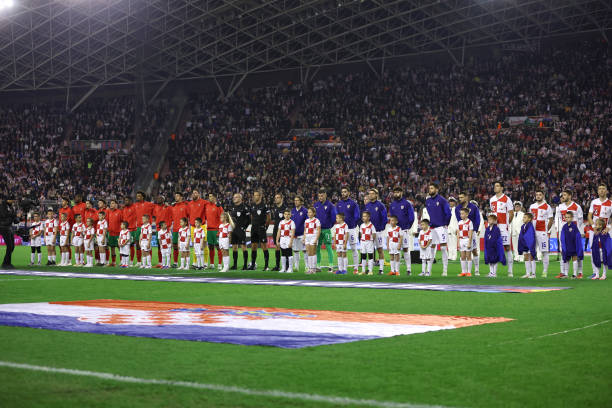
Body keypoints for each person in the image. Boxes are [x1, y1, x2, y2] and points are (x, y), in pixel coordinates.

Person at [555, 190, 584, 277]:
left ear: (570, 196)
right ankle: (562, 272)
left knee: (577, 252)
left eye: (565, 195)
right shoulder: (560, 207)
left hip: (574, 233)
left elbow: (580, 220)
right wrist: (558, 230)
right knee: (563, 251)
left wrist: (578, 232)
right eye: (562, 195)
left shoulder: (576, 206)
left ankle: (579, 272)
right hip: (564, 233)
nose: (563, 196)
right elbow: (557, 219)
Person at [425, 183, 451, 276]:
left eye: (432, 188)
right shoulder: (427, 201)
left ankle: (445, 271)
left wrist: (445, 224)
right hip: (432, 228)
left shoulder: (442, 200)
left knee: (443, 248)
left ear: (437, 189)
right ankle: (429, 271)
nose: (430, 190)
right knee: (431, 249)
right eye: (429, 188)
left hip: (441, 227)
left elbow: (448, 213)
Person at [490, 181, 515, 277]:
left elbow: (511, 213)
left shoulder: (506, 199)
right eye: (494, 186)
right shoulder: (491, 199)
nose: (495, 187)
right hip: (494, 228)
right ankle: (493, 272)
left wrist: (506, 224)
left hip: (503, 227)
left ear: (501, 188)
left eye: (497, 186)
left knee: (507, 247)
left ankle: (510, 272)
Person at [389, 187, 415, 275]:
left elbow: (411, 217)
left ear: (401, 193)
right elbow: (392, 217)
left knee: (406, 249)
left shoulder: (407, 204)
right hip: (394, 231)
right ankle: (396, 270)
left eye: (397, 192)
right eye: (394, 192)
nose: (396, 194)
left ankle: (408, 269)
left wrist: (407, 227)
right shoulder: (392, 204)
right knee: (395, 251)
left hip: (404, 230)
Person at [335, 187, 361, 274]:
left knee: (354, 248)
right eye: (342, 192)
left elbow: (357, 216)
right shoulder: (339, 204)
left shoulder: (353, 204)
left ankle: (356, 268)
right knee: (341, 250)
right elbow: (337, 216)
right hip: (341, 231)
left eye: (345, 192)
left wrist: (352, 223)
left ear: (348, 193)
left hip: (351, 229)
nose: (343, 193)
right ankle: (341, 268)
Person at [529, 190, 554, 277]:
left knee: (544, 252)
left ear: (543, 196)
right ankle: (533, 273)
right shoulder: (532, 206)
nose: (538, 196)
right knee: (532, 252)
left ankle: (545, 271)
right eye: (537, 194)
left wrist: (546, 230)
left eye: (540, 195)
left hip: (542, 232)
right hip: (533, 232)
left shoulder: (547, 206)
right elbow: (530, 219)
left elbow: (551, 219)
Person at [455, 194, 481, 276]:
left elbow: (477, 219)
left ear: (466, 197)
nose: (460, 199)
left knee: (474, 251)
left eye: (462, 197)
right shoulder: (457, 208)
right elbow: (459, 220)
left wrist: (475, 230)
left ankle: (476, 269)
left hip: (471, 232)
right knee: (462, 254)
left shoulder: (473, 207)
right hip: (463, 234)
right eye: (459, 197)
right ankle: (464, 271)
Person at [365, 188, 388, 274]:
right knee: (370, 251)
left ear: (376, 195)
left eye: (372, 194)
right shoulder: (367, 205)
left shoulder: (381, 205)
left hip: (378, 232)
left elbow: (384, 218)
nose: (370, 195)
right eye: (369, 194)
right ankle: (370, 269)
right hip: (369, 232)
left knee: (380, 250)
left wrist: (381, 228)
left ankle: (381, 269)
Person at [314, 188, 336, 271]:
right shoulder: (316, 205)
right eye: (319, 196)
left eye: (322, 195)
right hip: (318, 230)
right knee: (317, 248)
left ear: (325, 195)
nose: (320, 197)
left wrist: (329, 226)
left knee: (328, 247)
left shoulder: (330, 205)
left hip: (326, 229)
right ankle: (318, 266)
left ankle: (331, 266)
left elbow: (334, 218)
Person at [249, 189, 271, 270]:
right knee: (253, 246)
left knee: (264, 246)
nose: (255, 197)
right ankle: (253, 265)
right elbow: (251, 216)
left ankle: (266, 266)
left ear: (260, 196)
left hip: (261, 227)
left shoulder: (264, 206)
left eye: (256, 195)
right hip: (254, 228)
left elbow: (269, 218)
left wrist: (265, 227)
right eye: (254, 195)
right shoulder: (252, 205)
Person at [558, 211, 584, 279]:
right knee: (566, 259)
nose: (567, 218)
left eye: (568, 217)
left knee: (574, 259)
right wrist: (562, 246)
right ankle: (566, 274)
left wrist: (578, 246)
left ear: (572, 218)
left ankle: (574, 274)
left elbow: (577, 237)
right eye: (566, 217)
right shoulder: (564, 226)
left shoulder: (574, 226)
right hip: (567, 246)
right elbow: (562, 237)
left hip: (573, 246)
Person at [228, 193, 250, 270]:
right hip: (234, 230)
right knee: (234, 247)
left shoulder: (244, 207)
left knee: (243, 246)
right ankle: (235, 265)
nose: (234, 198)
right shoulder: (232, 207)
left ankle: (245, 265)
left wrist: (244, 228)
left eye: (236, 197)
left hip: (241, 230)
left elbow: (248, 219)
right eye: (234, 197)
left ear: (240, 198)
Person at [133, 191, 155, 267]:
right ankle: (139, 261)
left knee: (148, 247)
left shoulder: (149, 204)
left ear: (143, 197)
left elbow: (157, 208)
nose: (137, 197)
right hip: (139, 227)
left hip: (147, 226)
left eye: (139, 196)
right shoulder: (135, 205)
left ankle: (149, 263)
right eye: (137, 196)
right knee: (138, 244)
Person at [187, 190, 208, 268]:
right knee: (195, 245)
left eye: (195, 193)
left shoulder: (204, 202)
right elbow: (188, 215)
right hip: (193, 227)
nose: (194, 194)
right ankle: (195, 262)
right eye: (193, 193)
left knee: (204, 245)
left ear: (199, 194)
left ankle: (205, 263)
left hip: (202, 226)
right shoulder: (189, 204)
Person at [205, 193, 224, 270]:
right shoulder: (206, 206)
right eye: (209, 197)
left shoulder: (218, 207)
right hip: (209, 230)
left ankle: (219, 264)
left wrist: (220, 230)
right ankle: (212, 264)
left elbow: (222, 219)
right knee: (211, 247)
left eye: (211, 196)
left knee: (218, 247)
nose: (210, 198)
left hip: (216, 230)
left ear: (215, 198)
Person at [170, 192, 189, 267]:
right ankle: (175, 263)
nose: (176, 197)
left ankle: (185, 264)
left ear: (181, 197)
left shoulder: (185, 205)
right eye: (175, 196)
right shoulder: (173, 207)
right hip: (175, 228)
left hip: (183, 229)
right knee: (175, 246)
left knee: (185, 248)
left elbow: (189, 215)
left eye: (177, 196)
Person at [152, 195, 171, 268]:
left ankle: (168, 263)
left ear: (163, 200)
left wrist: (168, 225)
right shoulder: (155, 207)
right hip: (158, 229)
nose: (158, 199)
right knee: (160, 246)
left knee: (168, 246)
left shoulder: (167, 207)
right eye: (158, 198)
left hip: (166, 229)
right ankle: (160, 263)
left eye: (160, 198)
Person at [291, 196, 308, 272]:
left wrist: (305, 235)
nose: (296, 202)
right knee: (295, 250)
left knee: (305, 250)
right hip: (294, 234)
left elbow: (307, 223)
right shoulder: (292, 211)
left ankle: (307, 266)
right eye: (295, 200)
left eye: (297, 200)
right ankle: (296, 267)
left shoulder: (305, 211)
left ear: (301, 202)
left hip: (302, 234)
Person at [276, 209, 295, 273]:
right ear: (284, 215)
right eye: (285, 214)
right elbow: (279, 231)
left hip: (288, 238)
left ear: (290, 215)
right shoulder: (281, 222)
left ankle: (290, 268)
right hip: (282, 239)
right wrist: (277, 240)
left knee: (289, 253)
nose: (287, 216)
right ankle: (283, 268)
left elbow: (292, 233)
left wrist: (291, 242)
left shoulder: (292, 222)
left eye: (288, 214)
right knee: (283, 254)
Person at [518, 213, 537, 279]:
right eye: (523, 217)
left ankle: (533, 274)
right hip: (524, 244)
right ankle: (528, 273)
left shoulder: (530, 226)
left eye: (525, 217)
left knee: (531, 257)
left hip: (529, 244)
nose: (523, 219)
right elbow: (521, 235)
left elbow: (530, 236)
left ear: (529, 219)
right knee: (526, 257)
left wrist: (530, 244)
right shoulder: (523, 226)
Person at [271, 193, 286, 271]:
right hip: (276, 229)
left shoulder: (285, 208)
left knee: (284, 248)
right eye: (275, 197)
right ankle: (277, 265)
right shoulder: (274, 208)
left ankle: (286, 266)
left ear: (281, 199)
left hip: (284, 230)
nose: (276, 199)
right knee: (277, 247)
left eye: (277, 197)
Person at [303, 206, 321, 274]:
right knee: (308, 253)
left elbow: (319, 230)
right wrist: (304, 238)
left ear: (314, 213)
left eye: (310, 212)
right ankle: (310, 268)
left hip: (313, 237)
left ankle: (313, 268)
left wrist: (316, 239)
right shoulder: (306, 221)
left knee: (313, 252)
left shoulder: (316, 221)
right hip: (307, 237)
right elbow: (305, 230)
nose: (308, 213)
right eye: (308, 212)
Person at [457, 207, 474, 277]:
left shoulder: (470, 222)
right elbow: (458, 233)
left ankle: (469, 272)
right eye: (460, 214)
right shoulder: (459, 222)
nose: (461, 215)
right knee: (462, 256)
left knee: (468, 256)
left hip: (467, 240)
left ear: (467, 214)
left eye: (463, 214)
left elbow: (470, 233)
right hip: (461, 240)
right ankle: (463, 272)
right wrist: (458, 242)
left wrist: (469, 242)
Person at [106, 199, 123, 267]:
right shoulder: (108, 212)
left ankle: (122, 261)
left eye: (113, 203)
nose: (111, 204)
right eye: (110, 203)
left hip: (118, 233)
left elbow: (122, 221)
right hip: (111, 233)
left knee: (120, 248)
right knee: (112, 248)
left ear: (116, 205)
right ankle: (113, 262)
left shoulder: (119, 212)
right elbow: (107, 221)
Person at [359, 211, 375, 275]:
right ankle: (363, 270)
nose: (363, 218)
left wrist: (371, 241)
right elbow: (361, 233)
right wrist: (362, 239)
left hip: (369, 242)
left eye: (365, 216)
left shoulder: (371, 225)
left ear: (368, 217)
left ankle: (370, 270)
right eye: (363, 216)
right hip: (363, 242)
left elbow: (374, 234)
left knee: (370, 256)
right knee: (363, 256)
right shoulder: (361, 225)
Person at [122, 196, 137, 265]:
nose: (125, 202)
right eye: (125, 200)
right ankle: (124, 261)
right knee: (124, 246)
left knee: (131, 245)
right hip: (124, 230)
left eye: (127, 200)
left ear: (131, 201)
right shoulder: (124, 208)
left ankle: (131, 261)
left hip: (132, 229)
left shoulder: (134, 207)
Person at [447, 197, 459, 261]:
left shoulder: (457, 210)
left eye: (452, 201)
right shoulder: (447, 209)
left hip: (454, 228)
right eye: (450, 201)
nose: (451, 202)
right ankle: (449, 255)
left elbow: (458, 220)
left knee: (454, 243)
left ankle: (454, 256)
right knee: (449, 243)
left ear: (454, 202)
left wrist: (457, 229)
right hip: (448, 228)